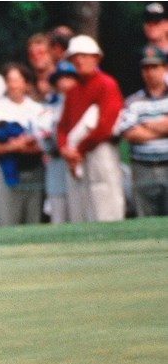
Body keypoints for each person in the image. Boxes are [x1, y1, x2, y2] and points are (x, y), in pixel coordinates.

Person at [57, 35, 125, 223]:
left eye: (85, 56)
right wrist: (65, 150)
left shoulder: (106, 84)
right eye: (75, 57)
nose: (80, 60)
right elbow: (62, 126)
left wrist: (77, 149)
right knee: (80, 203)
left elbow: (105, 126)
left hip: (100, 149)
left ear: (96, 58)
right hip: (77, 154)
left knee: (105, 199)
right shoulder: (72, 91)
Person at [0, 63, 46, 227]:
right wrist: (12, 147)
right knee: (4, 222)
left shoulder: (37, 109)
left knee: (32, 222)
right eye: (10, 81)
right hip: (2, 172)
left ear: (26, 83)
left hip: (33, 170)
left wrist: (26, 146)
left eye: (18, 81)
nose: (13, 85)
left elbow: (45, 143)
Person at [118, 45, 168, 217]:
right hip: (143, 167)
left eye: (155, 67)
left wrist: (146, 124)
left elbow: (138, 129)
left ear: (164, 68)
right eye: (146, 68)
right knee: (146, 216)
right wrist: (162, 127)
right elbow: (129, 133)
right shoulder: (133, 101)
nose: (150, 72)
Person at [39, 60, 80, 224]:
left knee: (80, 216)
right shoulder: (48, 108)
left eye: (69, 77)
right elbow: (44, 140)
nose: (65, 82)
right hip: (57, 165)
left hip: (79, 163)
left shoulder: (83, 103)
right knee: (59, 216)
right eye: (60, 78)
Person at [27, 32, 57, 103]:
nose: (36, 57)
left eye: (41, 53)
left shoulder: (62, 80)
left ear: (51, 53)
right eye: (32, 54)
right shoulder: (27, 85)